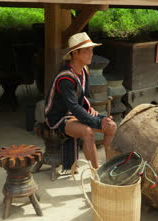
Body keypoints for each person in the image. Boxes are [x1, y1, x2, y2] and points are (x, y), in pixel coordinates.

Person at [44, 32, 117, 169]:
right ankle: (97, 176)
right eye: (86, 50)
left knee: (111, 126)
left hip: (74, 113)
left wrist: (90, 109)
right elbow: (74, 107)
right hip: (58, 117)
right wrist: (97, 121)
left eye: (91, 50)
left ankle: (109, 167)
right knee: (87, 131)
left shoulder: (84, 70)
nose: (91, 53)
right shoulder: (65, 78)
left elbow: (82, 98)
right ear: (75, 53)